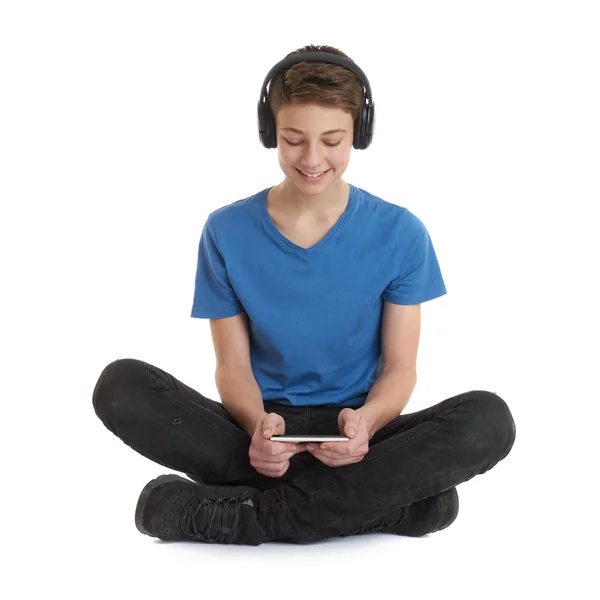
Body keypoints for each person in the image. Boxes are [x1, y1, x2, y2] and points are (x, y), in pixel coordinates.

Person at [92, 44, 516, 546]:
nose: (312, 159)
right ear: (270, 132)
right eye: (293, 140)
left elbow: (401, 368)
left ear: (359, 134)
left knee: (489, 420)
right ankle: (385, 505)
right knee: (120, 385)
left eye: (332, 140)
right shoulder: (225, 230)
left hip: (359, 430)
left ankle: (247, 515)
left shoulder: (402, 232)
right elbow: (232, 365)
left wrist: (366, 423)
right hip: (261, 427)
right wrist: (258, 428)